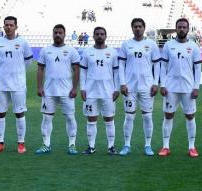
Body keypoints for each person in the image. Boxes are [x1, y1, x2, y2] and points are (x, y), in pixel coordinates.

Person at [158, 18, 202, 157]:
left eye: (184, 27)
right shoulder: (168, 45)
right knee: (168, 115)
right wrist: (163, 84)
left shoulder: (194, 46)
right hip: (171, 87)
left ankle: (191, 147)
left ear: (188, 29)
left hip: (188, 87)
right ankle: (165, 146)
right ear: (176, 29)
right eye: (179, 27)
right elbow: (163, 66)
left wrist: (196, 87)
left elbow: (198, 68)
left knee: (190, 116)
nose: (182, 29)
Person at [35, 24, 80, 155]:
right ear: (52, 34)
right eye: (55, 32)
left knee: (70, 118)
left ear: (65, 34)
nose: (58, 35)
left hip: (67, 92)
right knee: (47, 118)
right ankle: (46, 144)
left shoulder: (71, 51)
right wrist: (39, 86)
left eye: (60, 32)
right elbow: (40, 69)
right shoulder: (45, 50)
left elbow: (76, 70)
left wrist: (75, 88)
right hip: (49, 91)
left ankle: (72, 145)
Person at [118, 18, 161, 156]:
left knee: (147, 117)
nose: (137, 28)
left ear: (144, 28)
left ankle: (148, 145)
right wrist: (122, 83)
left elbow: (157, 65)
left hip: (147, 87)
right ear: (132, 28)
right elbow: (121, 65)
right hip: (129, 87)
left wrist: (155, 83)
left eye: (140, 26)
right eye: (135, 26)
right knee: (129, 116)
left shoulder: (151, 44)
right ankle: (126, 145)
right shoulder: (126, 44)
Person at [0, 16, 33, 154]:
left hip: (18, 83)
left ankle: (21, 143)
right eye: (6, 25)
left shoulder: (23, 42)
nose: (8, 27)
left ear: (16, 27)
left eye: (11, 25)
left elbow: (28, 61)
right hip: (1, 83)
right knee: (0, 113)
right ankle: (0, 143)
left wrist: (17, 72)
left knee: (19, 113)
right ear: (3, 27)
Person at [80, 27, 119, 155]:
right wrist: (82, 88)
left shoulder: (112, 52)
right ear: (93, 36)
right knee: (91, 119)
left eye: (102, 34)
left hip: (108, 91)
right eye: (97, 34)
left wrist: (116, 88)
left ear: (106, 36)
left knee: (109, 119)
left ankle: (111, 147)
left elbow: (116, 72)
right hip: (91, 91)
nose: (99, 36)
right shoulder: (87, 52)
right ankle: (91, 147)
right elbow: (83, 71)